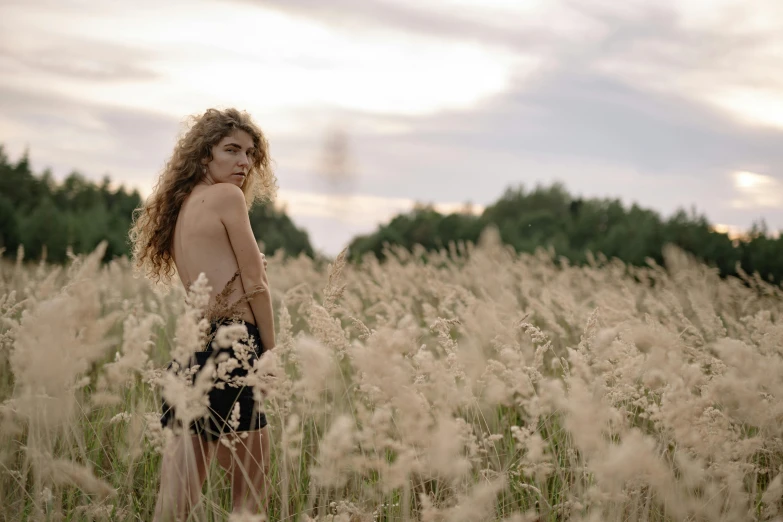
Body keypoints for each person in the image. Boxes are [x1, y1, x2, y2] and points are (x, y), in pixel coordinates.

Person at [129, 108, 277, 520]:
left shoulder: (180, 209)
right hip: (234, 347)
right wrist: (271, 350)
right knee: (250, 496)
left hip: (191, 350)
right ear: (204, 155)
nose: (244, 162)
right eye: (231, 150)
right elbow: (256, 284)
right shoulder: (228, 198)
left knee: (174, 504)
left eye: (250, 153)